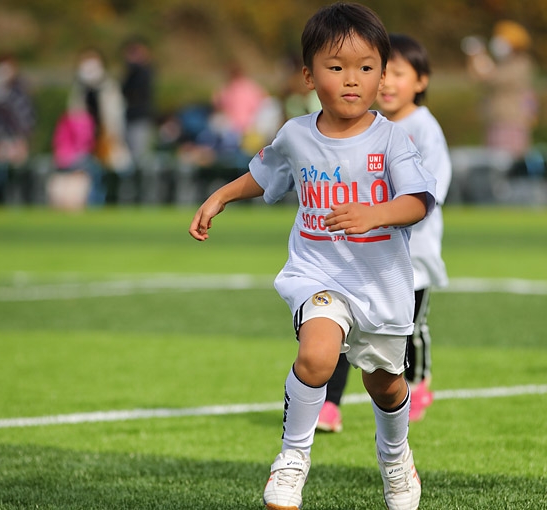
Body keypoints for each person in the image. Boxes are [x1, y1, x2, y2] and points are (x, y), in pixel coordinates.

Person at [189, 4, 436, 509]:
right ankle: (292, 460)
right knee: (316, 357)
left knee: (386, 386)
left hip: (381, 283)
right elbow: (264, 174)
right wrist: (221, 196)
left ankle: (396, 458)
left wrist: (376, 214)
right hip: (318, 272)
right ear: (309, 75)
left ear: (381, 76)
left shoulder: (392, 138)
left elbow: (419, 201)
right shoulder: (297, 135)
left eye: (366, 68)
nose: (352, 79)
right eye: (336, 67)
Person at [317, 33, 452, 433]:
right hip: (361, 249)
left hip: (411, 256)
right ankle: (329, 405)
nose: (387, 83)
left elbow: (430, 192)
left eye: (398, 74)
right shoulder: (366, 125)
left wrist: (385, 214)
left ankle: (417, 383)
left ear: (421, 81)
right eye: (381, 72)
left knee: (407, 328)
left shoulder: (423, 128)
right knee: (342, 322)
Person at [462, 20, 537, 161]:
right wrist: (474, 59)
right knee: (493, 161)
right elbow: (477, 78)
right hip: (495, 120)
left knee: (509, 162)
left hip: (511, 121)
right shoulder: (504, 64)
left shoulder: (520, 65)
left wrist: (478, 55)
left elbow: (491, 78)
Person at [68, 48, 132, 203]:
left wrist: (111, 135)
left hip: (106, 136)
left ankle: (115, 199)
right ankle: (94, 201)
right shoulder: (80, 89)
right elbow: (74, 113)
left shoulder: (109, 87)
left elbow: (115, 115)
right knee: (90, 171)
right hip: (85, 138)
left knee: (115, 168)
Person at [0, 54, 36, 204]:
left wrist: (21, 139)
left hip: (15, 140)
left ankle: (16, 200)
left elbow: (25, 119)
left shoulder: (20, 92)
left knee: (14, 172)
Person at [121, 36, 156, 176]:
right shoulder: (129, 74)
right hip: (129, 118)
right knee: (128, 159)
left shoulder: (144, 72)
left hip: (141, 119)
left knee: (140, 158)